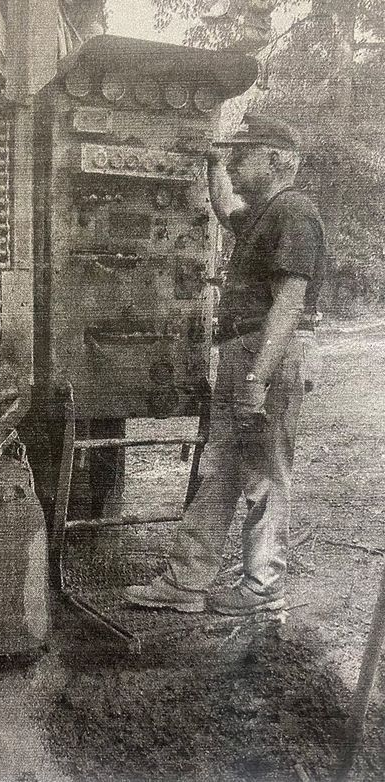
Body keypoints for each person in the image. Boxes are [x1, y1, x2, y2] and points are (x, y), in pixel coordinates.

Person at [124, 113, 326, 616]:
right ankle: (187, 582)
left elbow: (289, 300)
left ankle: (263, 587)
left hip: (266, 355)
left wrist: (258, 376)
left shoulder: (294, 210)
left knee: (263, 474)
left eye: (242, 155)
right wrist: (213, 163)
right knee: (220, 471)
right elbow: (225, 208)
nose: (235, 164)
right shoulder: (265, 213)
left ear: (277, 160)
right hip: (246, 353)